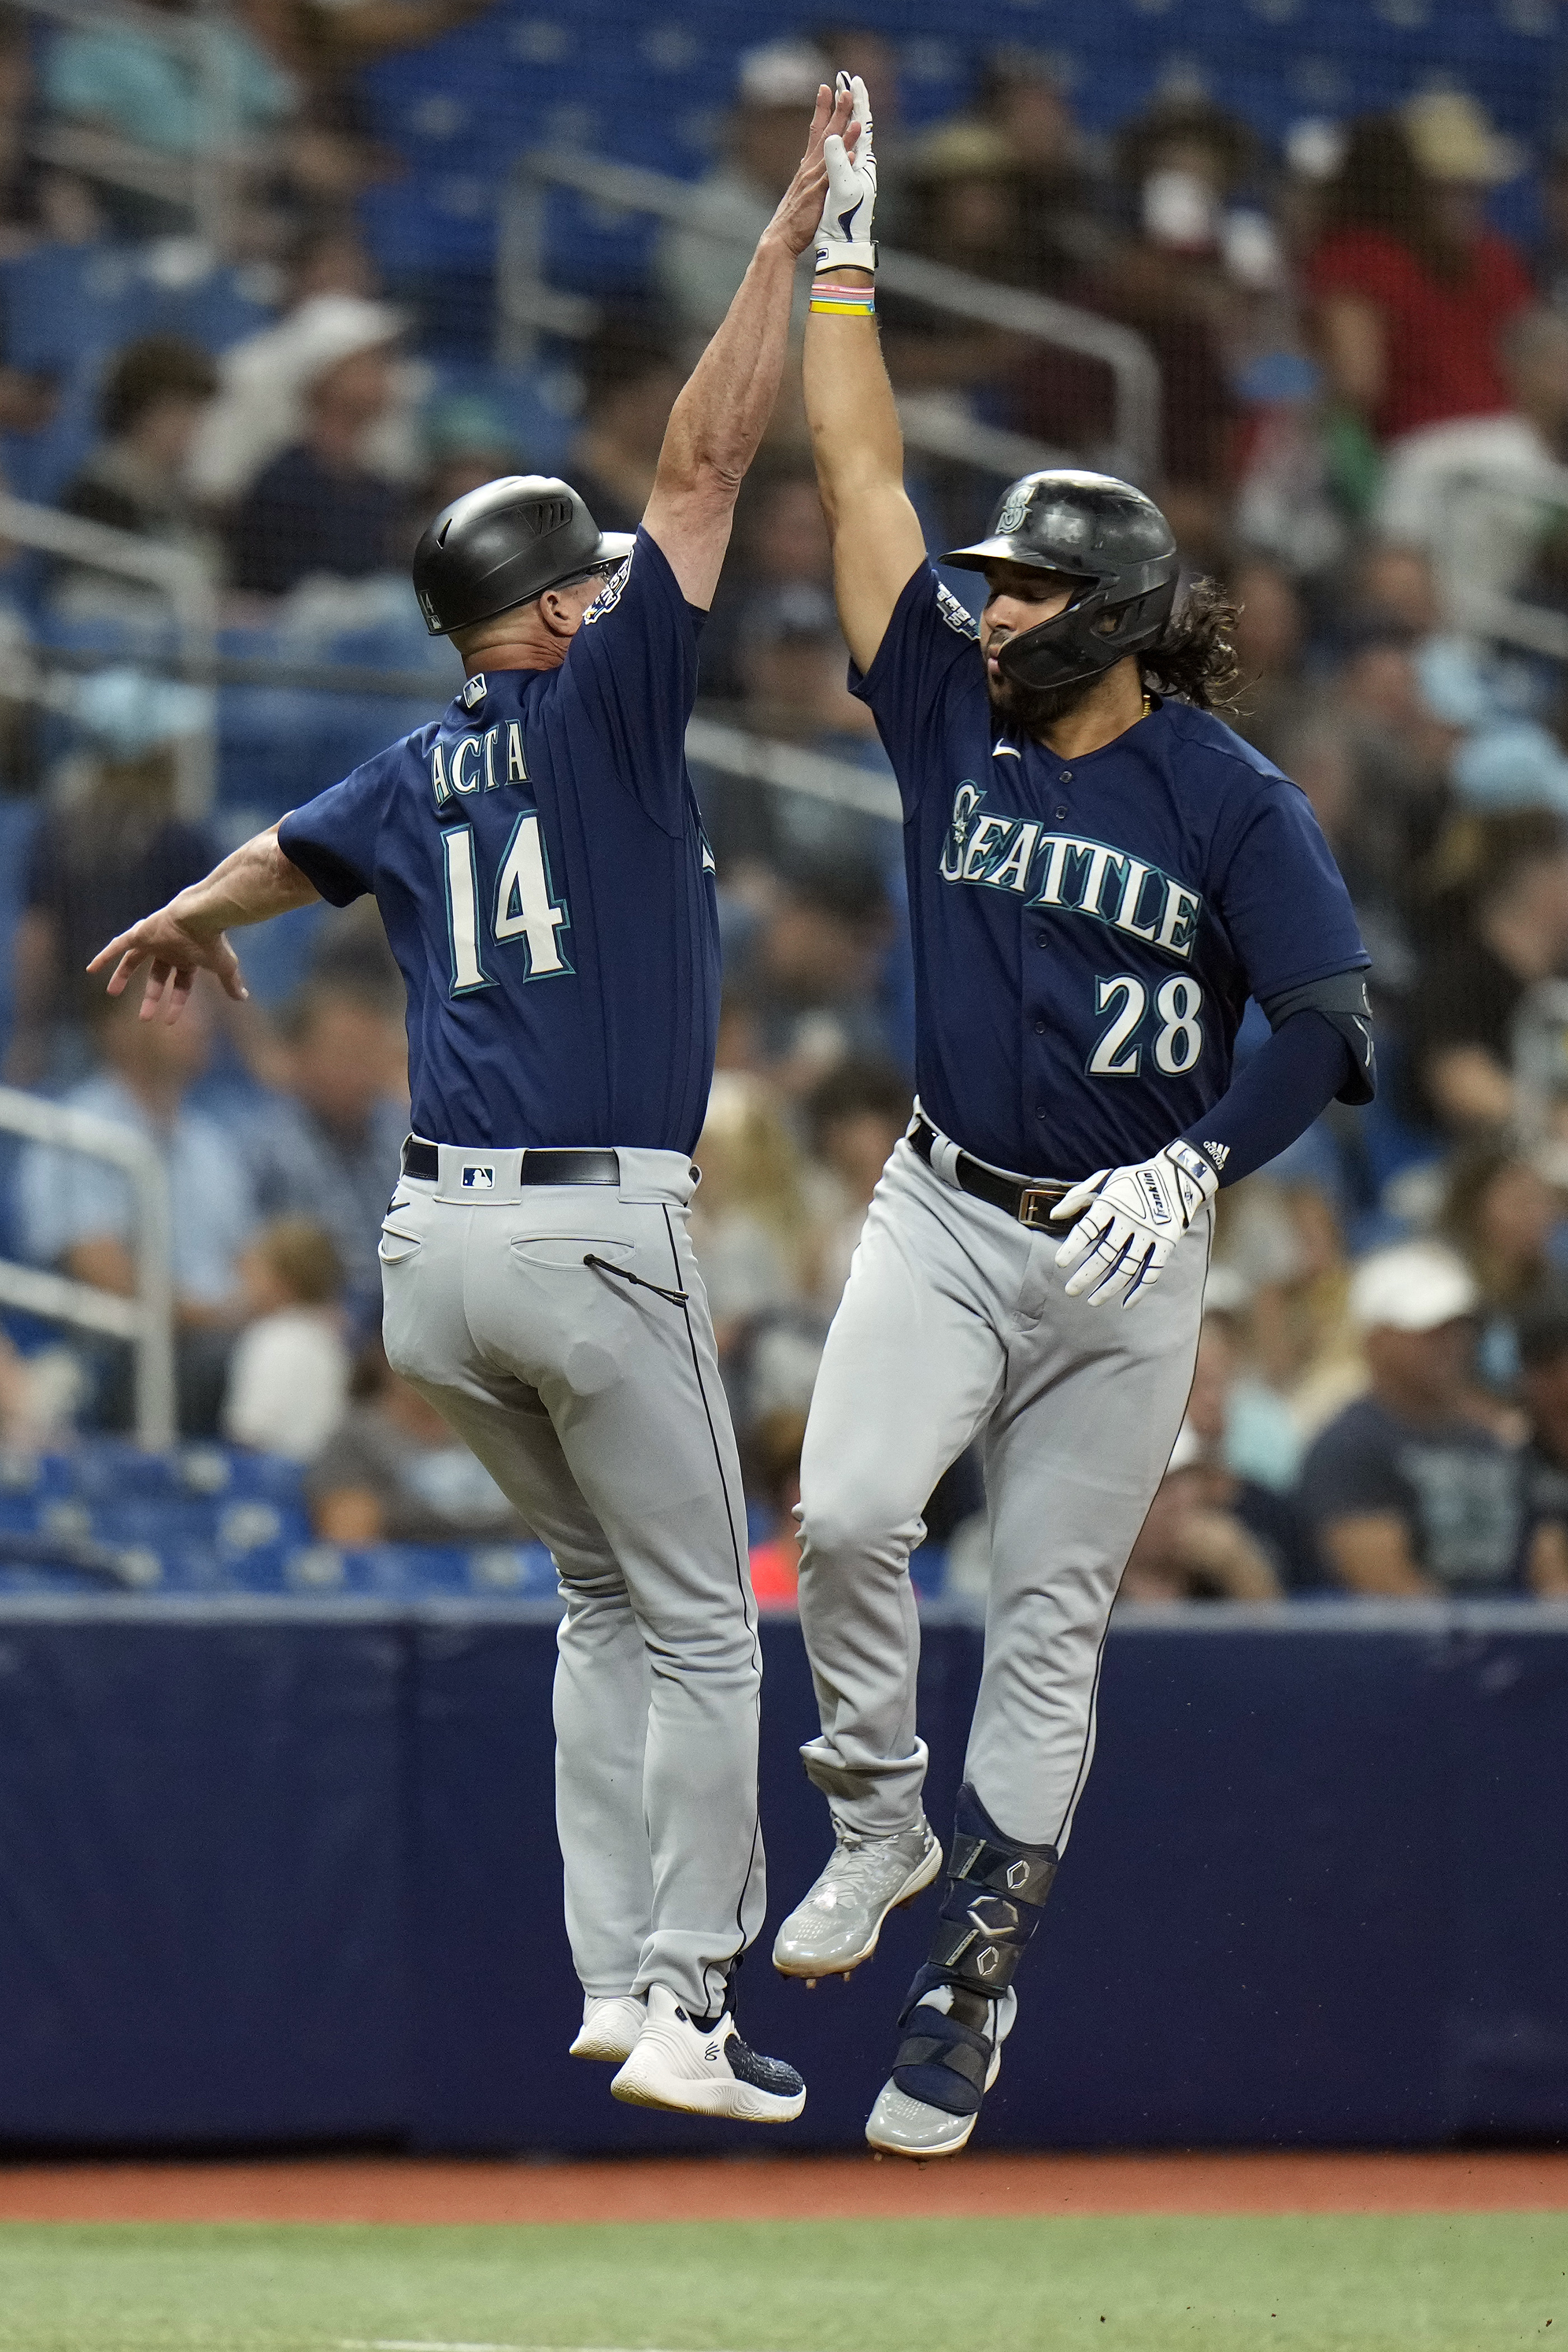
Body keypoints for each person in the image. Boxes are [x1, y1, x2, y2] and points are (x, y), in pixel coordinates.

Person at [87, 82, 860, 2129]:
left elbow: (269, 849)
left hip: (431, 1255)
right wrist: (781, 238)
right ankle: (686, 1996)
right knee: (707, 1622)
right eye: (587, 582)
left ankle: (613, 1977)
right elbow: (705, 454)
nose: (623, 592)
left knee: (596, 1599)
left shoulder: (420, 760)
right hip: (598, 1234)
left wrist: (179, 912)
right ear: (540, 616)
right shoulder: (598, 702)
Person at [770, 74, 1374, 2161]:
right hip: (944, 1203)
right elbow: (857, 480)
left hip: (1134, 1238)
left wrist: (1201, 1152)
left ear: (1108, 620)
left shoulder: (1224, 791)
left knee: (1045, 1607)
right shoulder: (944, 699)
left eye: (1025, 588)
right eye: (995, 579)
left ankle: (978, 1972)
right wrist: (839, 263)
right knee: (843, 1517)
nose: (987, 603)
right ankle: (878, 1823)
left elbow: (1319, 1012)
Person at [16, 982, 256, 1434]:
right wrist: (218, 1316)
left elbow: (251, 1267)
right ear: (119, 1030)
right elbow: (105, 1275)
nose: (200, 1024)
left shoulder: (213, 1145)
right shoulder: (71, 1133)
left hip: (222, 1341)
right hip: (124, 1356)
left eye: (202, 1011)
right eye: (180, 1007)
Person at [1296, 1243, 1535, 1597]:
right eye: (1430, 1330)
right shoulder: (1349, 1448)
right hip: (1409, 1650)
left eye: (1459, 1328)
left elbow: (1543, 1561)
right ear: (1376, 1340)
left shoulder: (1493, 1439)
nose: (1451, 1344)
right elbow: (1392, 1592)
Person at [1307, 105, 1534, 447]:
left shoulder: (1356, 257)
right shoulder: (1497, 257)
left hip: (1425, 452)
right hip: (1515, 445)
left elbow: (1359, 382)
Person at [243, 978, 409, 1336]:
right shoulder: (269, 1149)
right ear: (298, 1058)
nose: (358, 1071)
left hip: (401, 1313)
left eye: (368, 1054)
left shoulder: (400, 1136)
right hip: (322, 1322)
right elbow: (270, 1273)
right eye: (343, 1054)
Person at [222, 1216, 349, 1461]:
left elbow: (250, 1430)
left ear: (282, 1284)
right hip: (319, 1469)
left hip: (274, 1473)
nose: (242, 1286)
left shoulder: (271, 1338)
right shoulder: (330, 1338)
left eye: (252, 1276)